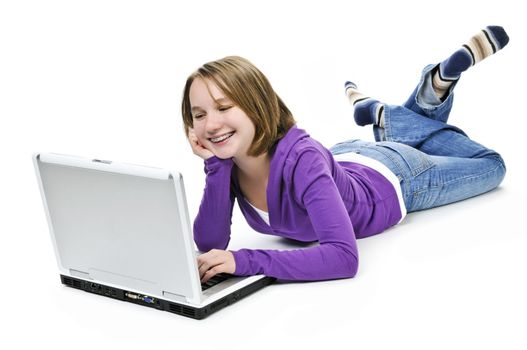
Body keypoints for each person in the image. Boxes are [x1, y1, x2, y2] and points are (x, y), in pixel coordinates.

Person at [181, 26, 509, 283]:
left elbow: (343, 257)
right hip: (343, 156)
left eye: (223, 107)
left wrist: (245, 261)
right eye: (199, 114)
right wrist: (214, 165)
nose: (211, 124)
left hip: (397, 176)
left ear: (257, 105)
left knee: (492, 166)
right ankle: (406, 105)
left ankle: (396, 113)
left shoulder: (302, 161)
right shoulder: (229, 162)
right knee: (417, 134)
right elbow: (210, 241)